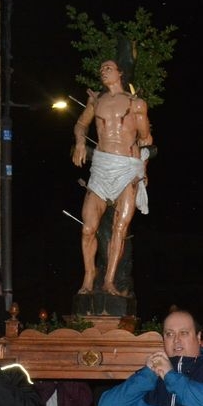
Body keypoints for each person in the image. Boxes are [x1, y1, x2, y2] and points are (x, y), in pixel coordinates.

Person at [71, 59, 154, 296]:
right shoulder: (96, 100)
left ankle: (109, 280)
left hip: (126, 167)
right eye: (101, 69)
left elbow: (145, 138)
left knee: (120, 225)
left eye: (108, 68)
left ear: (120, 73)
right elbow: (80, 124)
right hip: (102, 165)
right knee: (88, 228)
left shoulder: (136, 104)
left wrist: (143, 167)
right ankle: (89, 277)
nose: (103, 71)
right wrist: (80, 142)